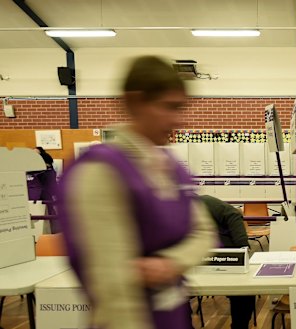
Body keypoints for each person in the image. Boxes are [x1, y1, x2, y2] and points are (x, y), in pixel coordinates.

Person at [57, 56, 216, 329]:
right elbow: (114, 289)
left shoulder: (173, 168)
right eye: (170, 107)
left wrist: (168, 263)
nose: (179, 120)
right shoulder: (101, 170)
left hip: (174, 315)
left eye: (182, 109)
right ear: (134, 102)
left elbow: (204, 234)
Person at [199, 195, 255, 329]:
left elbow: (232, 214)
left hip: (227, 256)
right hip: (194, 261)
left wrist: (242, 246)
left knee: (244, 291)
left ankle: (240, 326)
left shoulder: (205, 202)